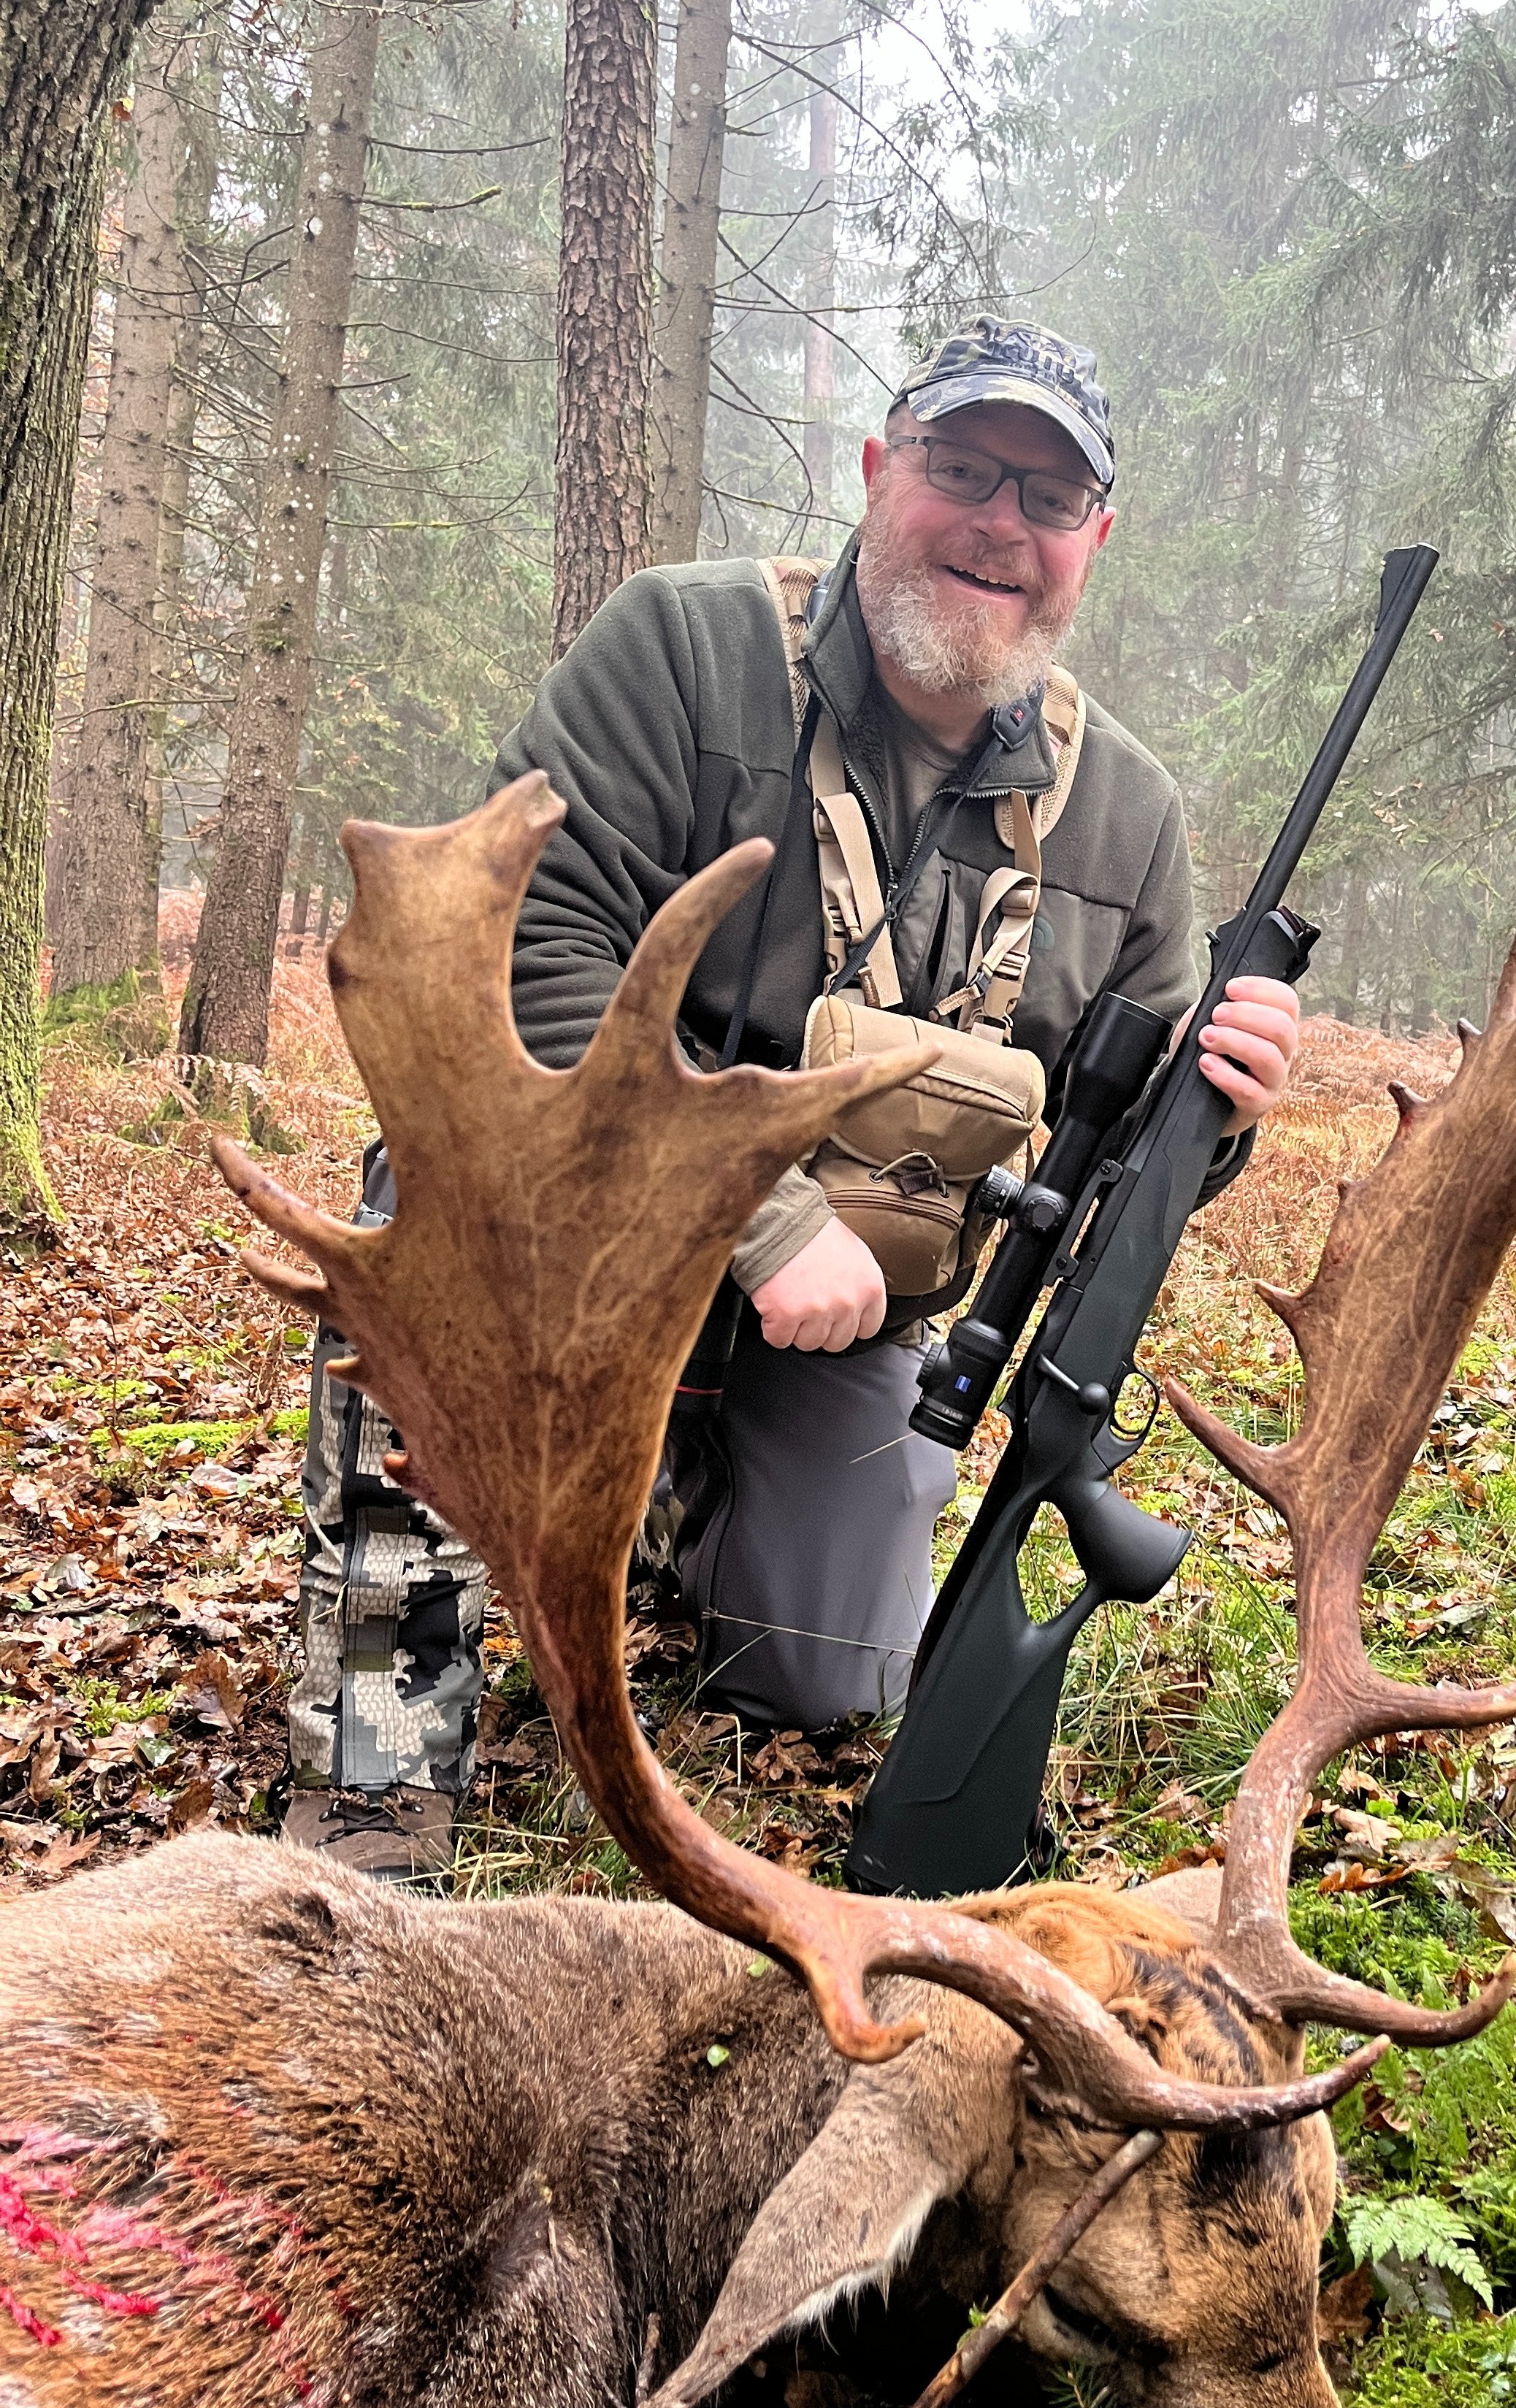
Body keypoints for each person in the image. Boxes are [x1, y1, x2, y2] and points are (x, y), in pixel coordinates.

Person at [279, 317, 1302, 1878]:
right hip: (575, 1234)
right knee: (432, 1215)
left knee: (830, 1671)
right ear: (883, 471)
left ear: (1095, 539)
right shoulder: (684, 651)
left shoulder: (1127, 817)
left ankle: (681, 1513)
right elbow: (530, 945)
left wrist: (1215, 1115)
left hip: (855, 1319)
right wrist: (760, 1217)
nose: (999, 524)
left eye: (1047, 496)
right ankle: (374, 1767)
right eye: (964, 468)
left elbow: (1122, 1163)